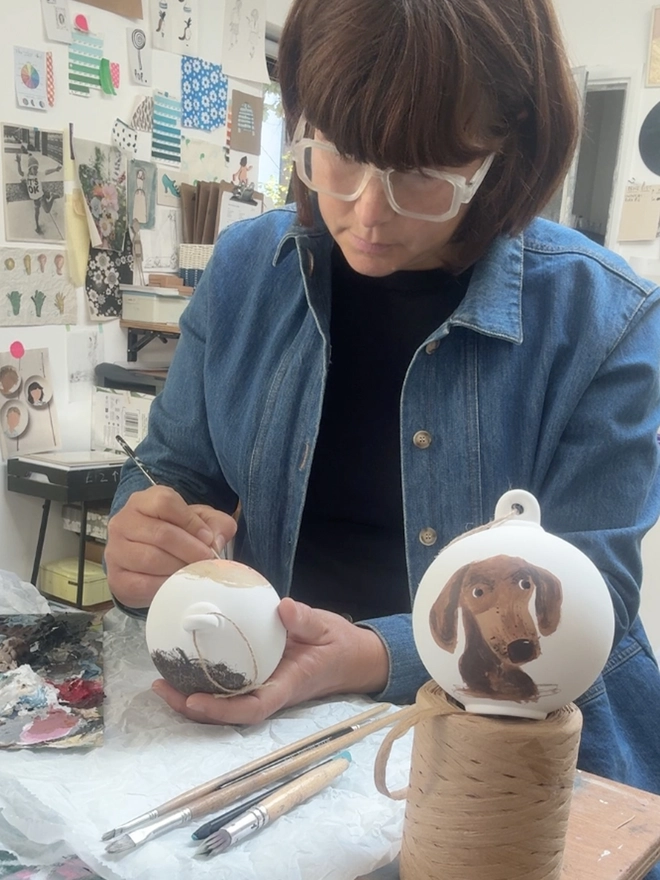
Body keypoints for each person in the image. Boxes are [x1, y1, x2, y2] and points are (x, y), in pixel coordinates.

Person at [106, 0, 660, 840]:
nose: (367, 212)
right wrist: (141, 536)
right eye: (338, 153)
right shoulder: (248, 271)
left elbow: (592, 603)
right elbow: (170, 470)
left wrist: (371, 656)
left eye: (424, 175)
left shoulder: (603, 319)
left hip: (507, 762)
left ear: (506, 150)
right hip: (276, 746)